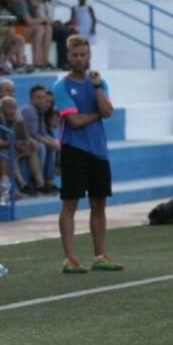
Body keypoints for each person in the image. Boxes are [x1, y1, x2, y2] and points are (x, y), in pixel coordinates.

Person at [54, 36, 122, 273]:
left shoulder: (99, 83)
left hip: (98, 150)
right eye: (75, 55)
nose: (79, 59)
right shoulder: (61, 86)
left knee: (99, 203)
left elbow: (108, 111)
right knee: (70, 203)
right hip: (74, 150)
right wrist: (97, 113)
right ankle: (69, 257)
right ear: (68, 56)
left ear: (89, 56)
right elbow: (74, 121)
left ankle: (100, 255)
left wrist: (96, 90)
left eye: (83, 54)